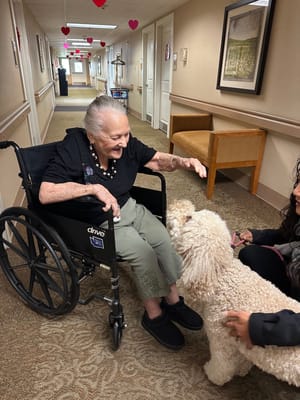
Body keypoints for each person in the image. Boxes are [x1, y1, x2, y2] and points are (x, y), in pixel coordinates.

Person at [39, 95, 207, 350]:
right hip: (98, 220)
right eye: (116, 137)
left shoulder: (126, 145)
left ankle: (173, 302)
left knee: (162, 239)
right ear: (92, 135)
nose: (124, 143)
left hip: (128, 207)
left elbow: (157, 160)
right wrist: (91, 188)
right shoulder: (73, 146)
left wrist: (183, 161)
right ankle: (154, 315)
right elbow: (46, 192)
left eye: (126, 135)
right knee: (142, 253)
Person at [224, 159, 300, 347]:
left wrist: (258, 328)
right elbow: (286, 236)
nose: (296, 191)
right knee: (251, 255)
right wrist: (256, 235)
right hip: (294, 278)